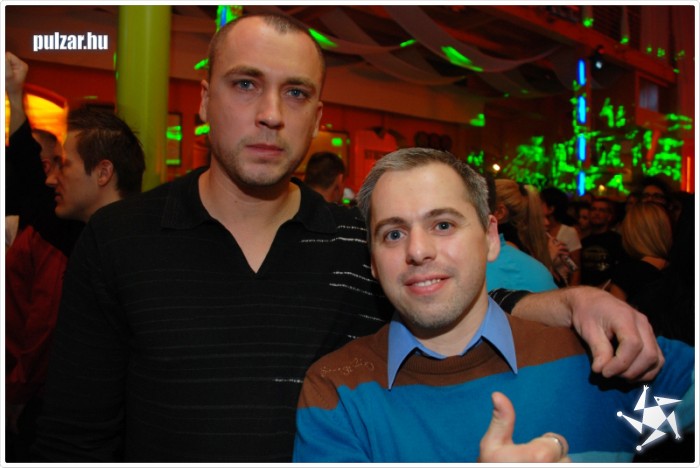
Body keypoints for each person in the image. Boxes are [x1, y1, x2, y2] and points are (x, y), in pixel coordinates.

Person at [33, 13, 664, 463]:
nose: (270, 113)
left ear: (317, 117)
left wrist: (575, 302)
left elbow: (444, 299)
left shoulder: (356, 241)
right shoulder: (119, 238)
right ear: (203, 100)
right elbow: (74, 437)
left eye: (296, 93)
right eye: (245, 83)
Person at [293, 148, 694, 463]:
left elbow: (668, 420)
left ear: (489, 238)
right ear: (373, 261)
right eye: (393, 234)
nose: (417, 250)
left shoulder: (595, 358)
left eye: (443, 225)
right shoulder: (341, 392)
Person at [5, 52, 146, 461]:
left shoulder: (138, 250)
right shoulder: (82, 236)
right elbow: (29, 188)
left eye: (63, 165)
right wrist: (15, 94)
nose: (52, 178)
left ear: (102, 173)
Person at [609, 203, 693, 346]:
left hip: (641, 350)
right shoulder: (681, 271)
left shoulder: (626, 272)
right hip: (680, 350)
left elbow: (615, 323)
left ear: (631, 233)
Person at [580, 197, 627, 287]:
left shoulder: (618, 241)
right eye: (593, 209)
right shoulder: (584, 241)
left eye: (602, 210)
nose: (596, 213)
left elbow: (621, 271)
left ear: (609, 216)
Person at [540, 187, 581, 285]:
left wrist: (571, 291)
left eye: (540, 203)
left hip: (559, 285)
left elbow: (575, 270)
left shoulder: (568, 232)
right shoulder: (534, 232)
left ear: (551, 209)